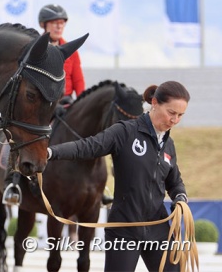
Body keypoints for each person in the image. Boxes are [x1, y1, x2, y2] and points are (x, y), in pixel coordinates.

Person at [46, 81, 190, 272]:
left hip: (158, 229)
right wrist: (49, 153)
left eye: (180, 115)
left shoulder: (168, 144)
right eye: (171, 113)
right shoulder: (124, 132)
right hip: (124, 230)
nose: (174, 120)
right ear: (154, 103)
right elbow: (87, 146)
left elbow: (175, 181)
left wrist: (180, 196)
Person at [2, 4, 85, 206]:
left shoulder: (70, 50)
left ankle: (94, 185)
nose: (59, 27)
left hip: (65, 104)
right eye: (55, 23)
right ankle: (13, 181)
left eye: (62, 23)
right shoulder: (35, 48)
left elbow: (79, 80)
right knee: (21, 134)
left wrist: (80, 104)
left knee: (85, 132)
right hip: (41, 106)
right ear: (43, 25)